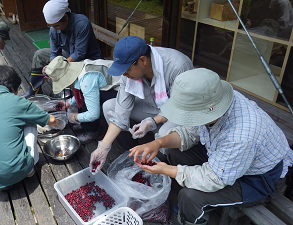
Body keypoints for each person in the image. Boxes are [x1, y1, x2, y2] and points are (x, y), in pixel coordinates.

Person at [129, 68, 293, 225]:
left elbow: (214, 177)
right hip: (228, 159)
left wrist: (165, 170)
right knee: (175, 152)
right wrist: (158, 142)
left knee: (190, 196)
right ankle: (191, 204)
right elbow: (193, 131)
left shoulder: (241, 136)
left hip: (257, 178)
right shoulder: (215, 100)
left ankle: (191, 214)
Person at [89, 36, 194, 173]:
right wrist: (103, 147)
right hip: (153, 106)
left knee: (164, 132)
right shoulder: (130, 71)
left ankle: (161, 163)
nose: (124, 75)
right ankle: (132, 150)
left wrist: (152, 122)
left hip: (179, 112)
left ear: (142, 60)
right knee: (109, 106)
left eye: (126, 70)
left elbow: (178, 106)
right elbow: (121, 111)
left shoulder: (178, 65)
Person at [24, 0, 101, 98]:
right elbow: (54, 53)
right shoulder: (53, 30)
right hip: (69, 58)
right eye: (50, 26)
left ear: (65, 17)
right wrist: (51, 67)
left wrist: (58, 66)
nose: (54, 29)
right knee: (40, 54)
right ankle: (34, 92)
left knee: (60, 68)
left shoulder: (82, 23)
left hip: (87, 61)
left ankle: (69, 92)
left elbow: (79, 53)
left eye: (56, 25)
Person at [45, 56, 120, 143]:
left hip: (121, 91)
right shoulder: (80, 66)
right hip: (107, 85)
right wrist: (69, 102)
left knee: (90, 100)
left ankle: (93, 130)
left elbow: (93, 114)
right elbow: (81, 92)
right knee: (87, 95)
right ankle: (85, 124)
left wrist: (75, 117)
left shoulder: (86, 80)